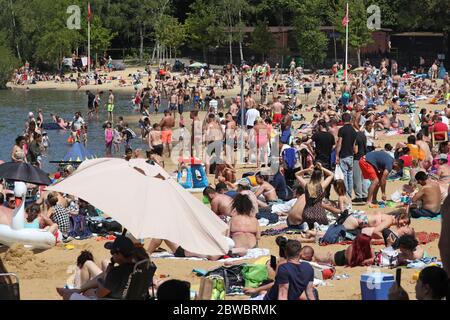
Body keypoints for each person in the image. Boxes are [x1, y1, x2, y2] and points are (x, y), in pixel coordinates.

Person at [57, 236, 147, 300]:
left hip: (111, 296)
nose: (111, 254)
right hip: (129, 296)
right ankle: (78, 289)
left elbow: (100, 294)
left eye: (112, 252)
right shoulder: (143, 266)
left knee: (67, 295)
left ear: (119, 255)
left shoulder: (116, 272)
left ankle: (76, 290)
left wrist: (107, 274)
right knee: (88, 291)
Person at [295, 163, 334, 228]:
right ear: (320, 177)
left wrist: (308, 169)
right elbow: (331, 174)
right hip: (319, 214)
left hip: (307, 214)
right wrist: (322, 168)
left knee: (310, 226)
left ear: (312, 176)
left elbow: (296, 174)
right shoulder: (322, 186)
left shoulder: (306, 186)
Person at [336, 113, 357, 198]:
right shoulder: (353, 130)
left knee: (344, 175)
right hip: (350, 155)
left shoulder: (341, 130)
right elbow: (354, 145)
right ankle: (350, 194)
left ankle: (345, 195)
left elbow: (339, 143)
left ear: (342, 120)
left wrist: (337, 155)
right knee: (350, 176)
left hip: (343, 155)